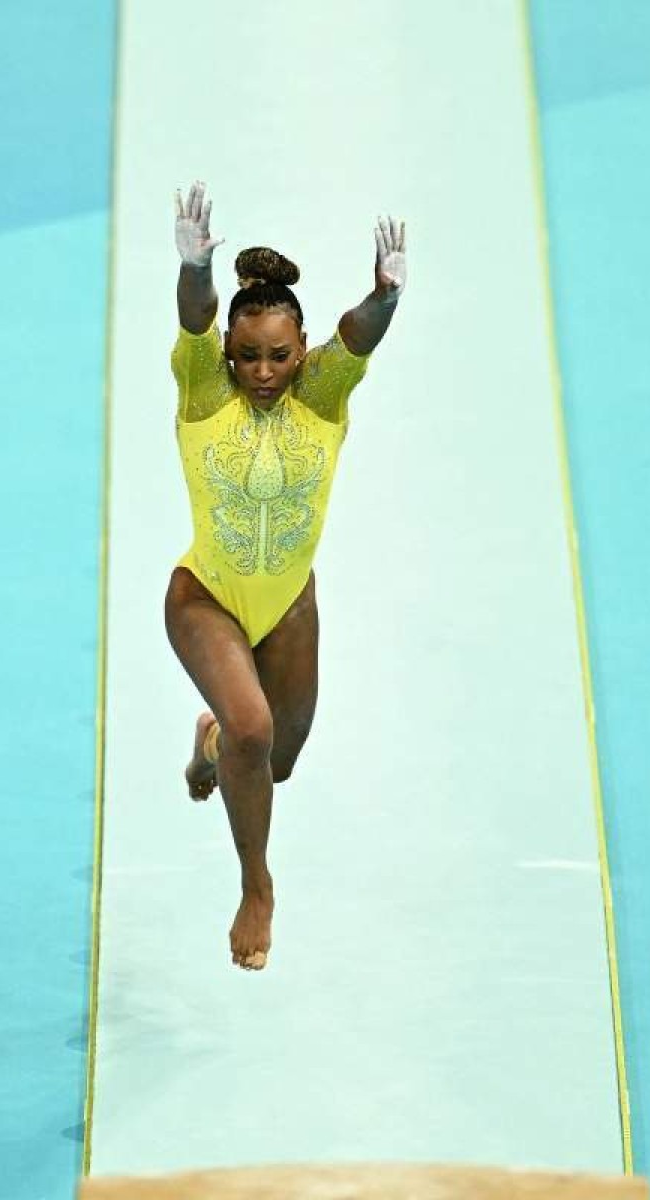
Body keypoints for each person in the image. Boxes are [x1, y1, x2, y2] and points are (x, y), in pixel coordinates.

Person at [165, 179, 406, 971]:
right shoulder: (205, 396)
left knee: (274, 762)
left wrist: (386, 294)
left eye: (277, 355)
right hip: (206, 599)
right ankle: (256, 888)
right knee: (254, 726)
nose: (261, 371)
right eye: (246, 357)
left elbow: (359, 337)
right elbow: (195, 321)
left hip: (289, 605)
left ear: (301, 352)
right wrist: (196, 268)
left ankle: (209, 746)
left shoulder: (323, 398)